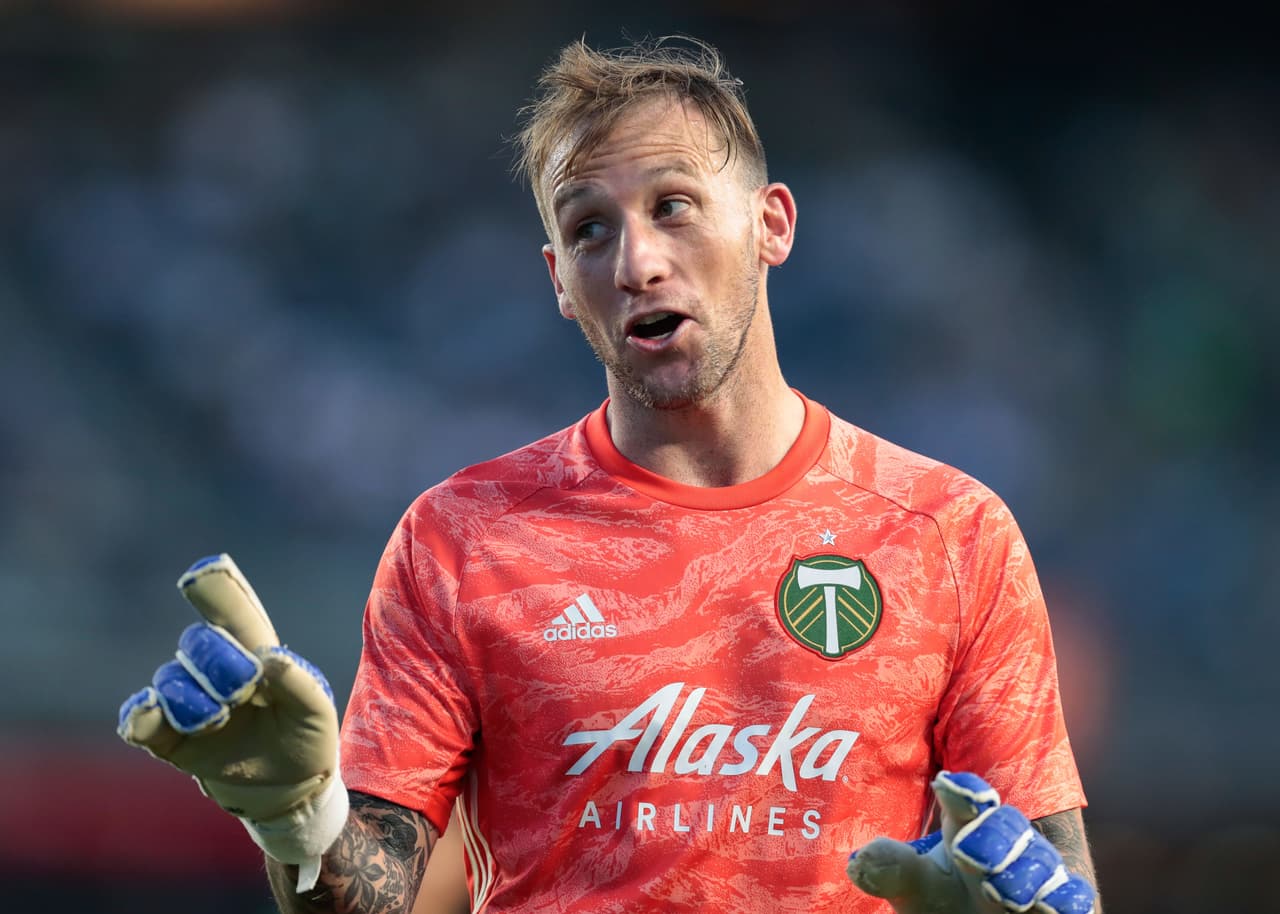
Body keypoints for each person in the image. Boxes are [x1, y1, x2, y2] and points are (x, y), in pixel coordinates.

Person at [118, 37, 1101, 914]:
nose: (636, 259)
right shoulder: (461, 540)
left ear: (772, 225)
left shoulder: (946, 532)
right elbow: (372, 901)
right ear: (556, 280)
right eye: (589, 228)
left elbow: (1049, 884)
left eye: (673, 206)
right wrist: (300, 820)